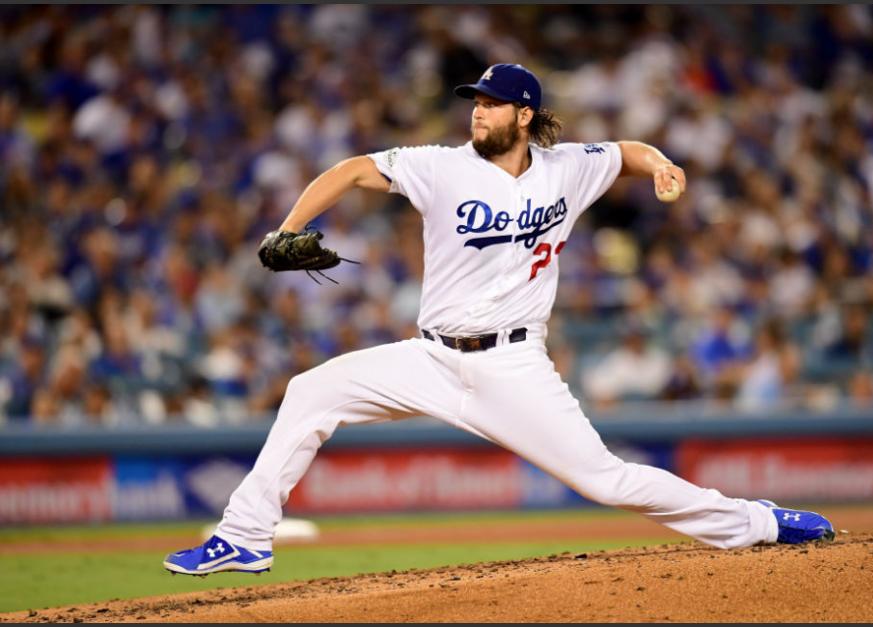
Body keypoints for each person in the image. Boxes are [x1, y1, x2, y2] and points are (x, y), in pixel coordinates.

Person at [164, 64, 834, 576]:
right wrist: (290, 225)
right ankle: (245, 536)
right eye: (474, 103)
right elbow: (353, 169)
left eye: (488, 104)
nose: (476, 113)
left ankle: (757, 521)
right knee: (311, 390)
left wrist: (660, 163)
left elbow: (625, 150)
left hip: (512, 364)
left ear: (523, 113)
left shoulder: (567, 169)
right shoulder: (439, 168)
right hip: (429, 358)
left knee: (606, 479)